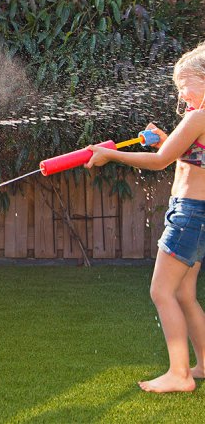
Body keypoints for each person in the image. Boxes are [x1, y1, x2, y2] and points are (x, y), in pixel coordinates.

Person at [86, 42, 205, 393]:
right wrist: (163, 142)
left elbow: (161, 163)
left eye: (185, 85)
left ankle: (179, 375)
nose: (181, 94)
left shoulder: (198, 116)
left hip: (189, 215)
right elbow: (187, 159)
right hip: (197, 215)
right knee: (184, 293)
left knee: (161, 291)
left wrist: (110, 155)